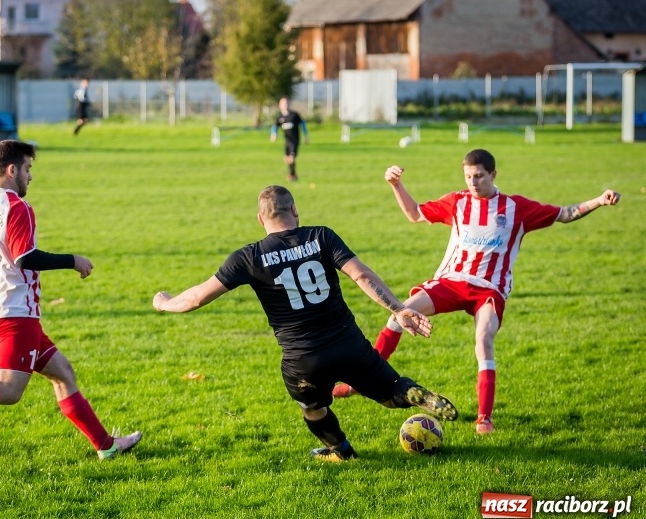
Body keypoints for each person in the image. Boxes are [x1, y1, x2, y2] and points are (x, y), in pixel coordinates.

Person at [153, 185, 457, 462]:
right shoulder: (321, 236)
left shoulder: (249, 257)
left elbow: (197, 298)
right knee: (390, 392)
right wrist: (399, 309)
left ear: (260, 220)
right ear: (295, 210)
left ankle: (341, 450)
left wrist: (165, 303)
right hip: (349, 343)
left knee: (313, 409)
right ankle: (416, 394)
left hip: (304, 358)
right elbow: (361, 275)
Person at [332, 149, 621, 435]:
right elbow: (414, 214)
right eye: (468, 176)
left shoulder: (516, 208)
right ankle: (363, 381)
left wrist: (599, 200)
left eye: (479, 176)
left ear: (493, 174)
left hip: (489, 291)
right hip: (451, 283)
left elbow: (565, 214)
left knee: (483, 340)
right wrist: (396, 184)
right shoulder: (456, 202)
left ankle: (484, 418)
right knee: (400, 313)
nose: (473, 182)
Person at [0, 139, 142, 461]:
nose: (30, 177)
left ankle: (105, 445)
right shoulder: (17, 207)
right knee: (9, 389)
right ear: (12, 170)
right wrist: (72, 260)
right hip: (15, 316)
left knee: (62, 372)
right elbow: (26, 258)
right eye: (27, 169)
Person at [270, 97, 308, 182]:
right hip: (287, 141)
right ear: (280, 105)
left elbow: (303, 125)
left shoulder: (294, 115)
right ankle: (292, 174)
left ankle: (292, 175)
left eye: (286, 103)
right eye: (283, 103)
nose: (285, 105)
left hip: (295, 141)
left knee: (291, 158)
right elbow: (275, 126)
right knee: (286, 158)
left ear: (289, 104)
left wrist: (306, 136)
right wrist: (274, 134)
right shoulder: (280, 117)